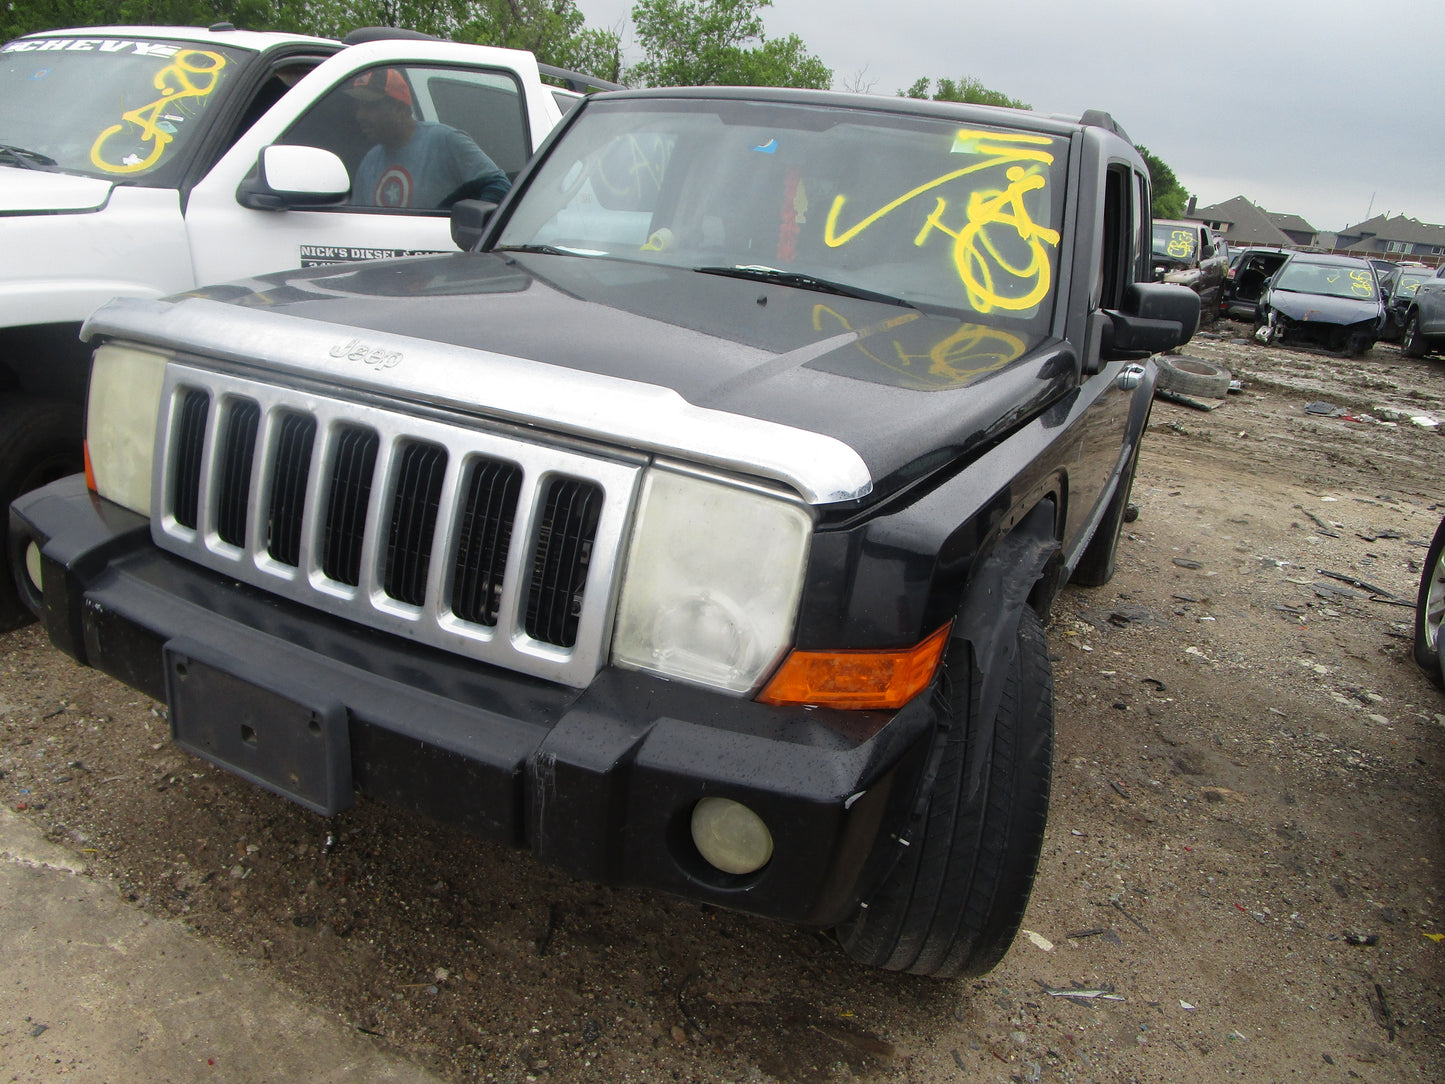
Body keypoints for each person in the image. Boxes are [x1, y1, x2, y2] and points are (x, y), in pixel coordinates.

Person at [345, 67, 510, 210]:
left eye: (370, 106)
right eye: (359, 106)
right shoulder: (370, 162)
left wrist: (470, 226)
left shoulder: (445, 141)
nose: (360, 115)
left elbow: (499, 186)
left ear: (399, 108)